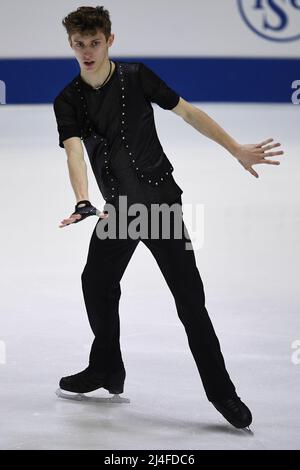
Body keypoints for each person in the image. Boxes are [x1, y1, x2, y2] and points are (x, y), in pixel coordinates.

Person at [53, 6, 284, 429]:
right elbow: (73, 150)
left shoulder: (137, 76)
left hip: (159, 205)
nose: (87, 51)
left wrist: (235, 149)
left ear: (110, 41)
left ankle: (223, 394)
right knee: (96, 282)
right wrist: (83, 199)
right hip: (120, 211)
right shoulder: (67, 100)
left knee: (190, 302)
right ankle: (105, 367)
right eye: (79, 44)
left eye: (95, 42)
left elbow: (188, 112)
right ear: (70, 44)